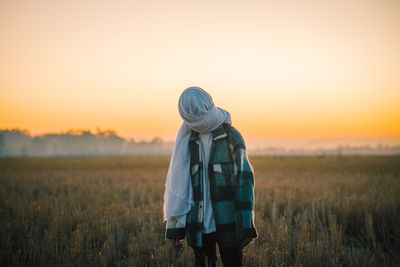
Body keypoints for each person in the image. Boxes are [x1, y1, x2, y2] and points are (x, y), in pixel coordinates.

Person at [163, 86, 257, 267]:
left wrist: (246, 225)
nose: (194, 112)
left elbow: (244, 181)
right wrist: (175, 230)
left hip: (228, 221)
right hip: (198, 225)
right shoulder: (187, 140)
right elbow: (179, 187)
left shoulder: (231, 136)